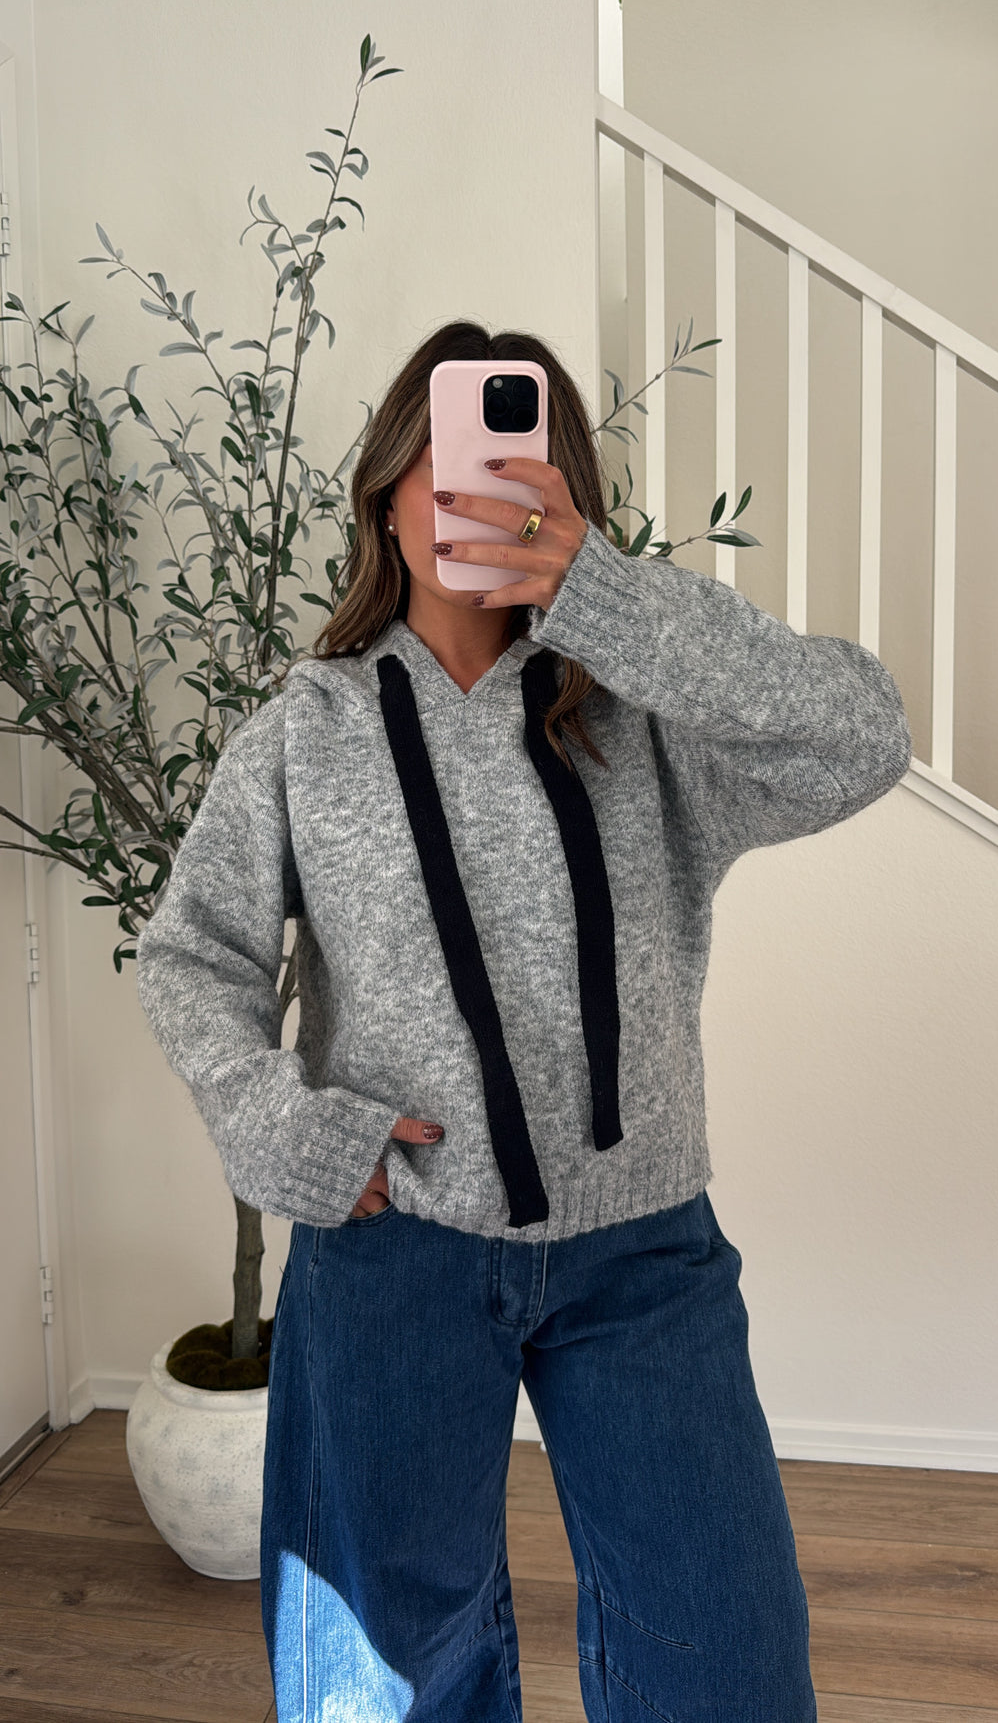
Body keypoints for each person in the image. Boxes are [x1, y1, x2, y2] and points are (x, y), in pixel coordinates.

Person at [135, 319, 913, 1721]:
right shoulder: (304, 734)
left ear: (563, 499)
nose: (467, 490)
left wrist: (604, 595)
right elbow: (192, 955)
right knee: (385, 1676)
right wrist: (286, 1134)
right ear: (384, 496)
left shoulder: (645, 721)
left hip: (643, 1252)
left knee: (725, 1656)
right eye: (437, 460)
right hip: (395, 1250)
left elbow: (862, 734)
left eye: (508, 462)